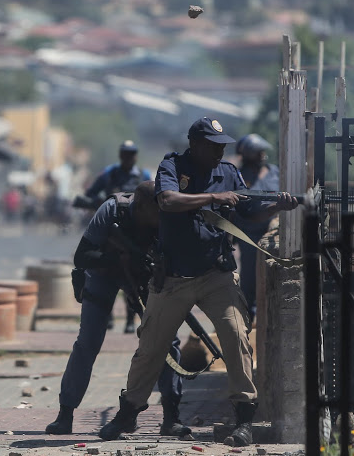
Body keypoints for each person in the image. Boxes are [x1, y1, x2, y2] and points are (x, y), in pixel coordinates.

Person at [98, 117, 298, 447]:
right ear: (195, 144)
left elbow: (247, 215)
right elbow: (168, 201)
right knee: (150, 348)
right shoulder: (173, 166)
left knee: (236, 338)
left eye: (223, 145)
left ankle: (244, 419)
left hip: (216, 273)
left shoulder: (229, 174)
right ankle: (128, 411)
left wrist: (280, 205)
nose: (221, 150)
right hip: (174, 276)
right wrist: (211, 198)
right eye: (213, 145)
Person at [45, 181, 189, 438]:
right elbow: (82, 256)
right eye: (155, 209)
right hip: (103, 275)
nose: (161, 214)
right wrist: (118, 259)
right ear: (142, 205)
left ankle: (171, 417)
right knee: (87, 342)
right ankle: (65, 414)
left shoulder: (167, 217)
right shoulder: (112, 211)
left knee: (168, 341)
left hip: (143, 278)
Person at [84, 140, 152, 333]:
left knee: (133, 278)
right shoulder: (109, 173)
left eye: (132, 153)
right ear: (120, 155)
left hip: (133, 232)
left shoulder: (143, 175)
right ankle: (108, 317)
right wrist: (102, 204)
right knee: (105, 272)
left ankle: (131, 319)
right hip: (110, 232)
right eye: (125, 153)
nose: (129, 157)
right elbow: (91, 194)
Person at [233, 134, 280, 319]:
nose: (262, 156)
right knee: (250, 276)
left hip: (272, 231)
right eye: (258, 153)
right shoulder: (240, 176)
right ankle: (248, 314)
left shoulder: (274, 171)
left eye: (262, 152)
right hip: (249, 233)